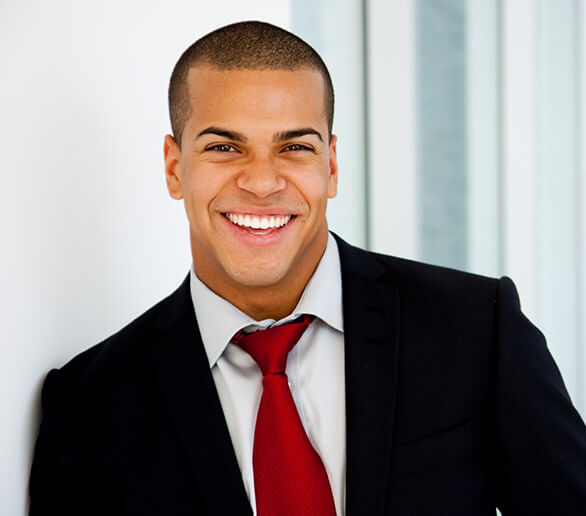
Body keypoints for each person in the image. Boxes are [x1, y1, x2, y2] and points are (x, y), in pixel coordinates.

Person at [29, 21, 586, 516]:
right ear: (176, 168)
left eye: (293, 147)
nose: (263, 182)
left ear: (332, 164)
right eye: (225, 148)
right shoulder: (91, 403)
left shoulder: (476, 328)